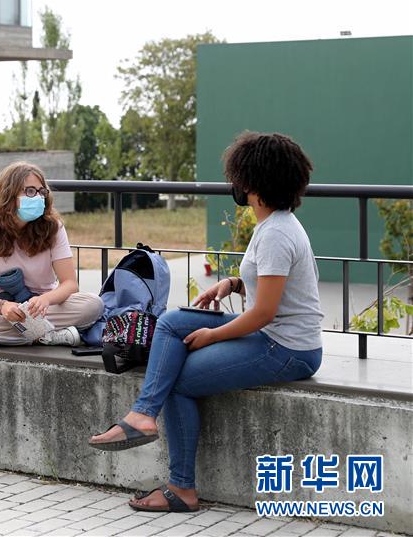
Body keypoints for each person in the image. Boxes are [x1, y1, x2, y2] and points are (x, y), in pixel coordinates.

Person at [87, 132, 324, 513]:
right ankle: (143, 415)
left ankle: (180, 488)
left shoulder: (277, 233)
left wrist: (214, 334)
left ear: (254, 182)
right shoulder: (275, 224)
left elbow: (264, 312)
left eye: (239, 177)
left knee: (178, 383)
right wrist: (231, 284)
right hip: (275, 335)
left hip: (289, 349)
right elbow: (273, 284)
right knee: (171, 321)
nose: (236, 185)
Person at [0, 161, 103, 346]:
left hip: (42, 307)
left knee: (93, 304)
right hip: (0, 309)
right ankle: (47, 336)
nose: (37, 197)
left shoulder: (54, 228)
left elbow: (69, 284)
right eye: (29, 191)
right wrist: (2, 307)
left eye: (41, 191)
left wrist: (45, 299)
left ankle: (18, 335)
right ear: (9, 195)